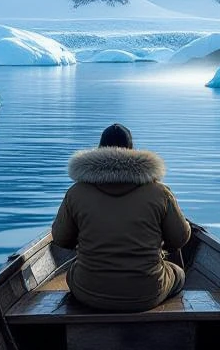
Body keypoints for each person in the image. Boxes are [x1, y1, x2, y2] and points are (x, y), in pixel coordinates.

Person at [51, 123, 192, 312]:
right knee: (179, 274)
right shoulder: (159, 192)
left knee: (72, 273)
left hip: (89, 293)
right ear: (133, 152)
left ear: (98, 150)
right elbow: (180, 239)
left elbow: (61, 239)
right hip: (148, 294)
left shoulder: (76, 193)